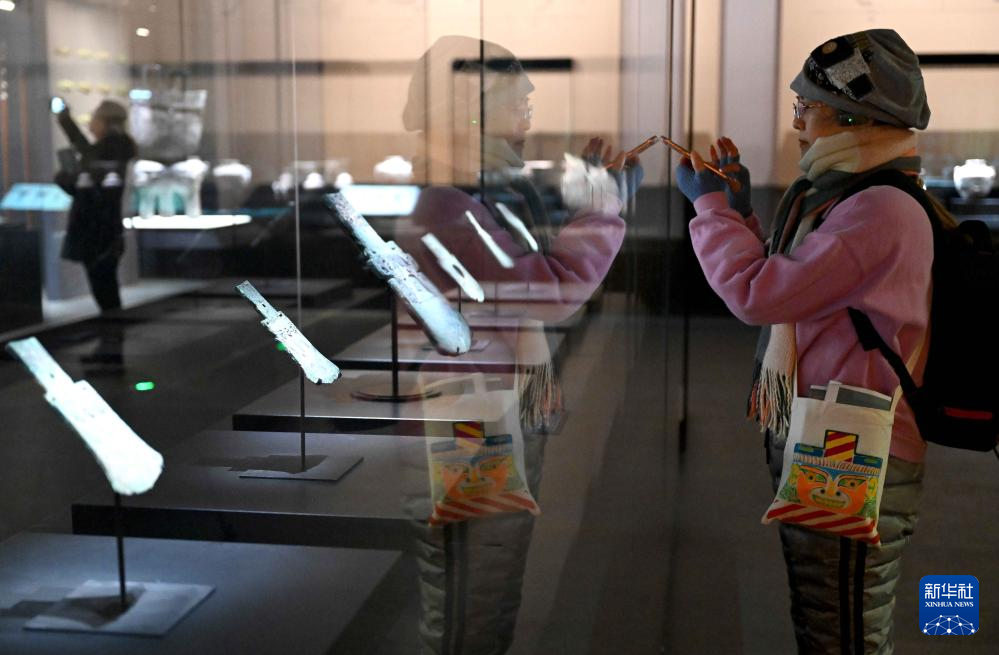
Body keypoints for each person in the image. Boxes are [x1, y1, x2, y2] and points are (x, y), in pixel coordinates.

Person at [676, 29, 933, 654]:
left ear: (853, 119)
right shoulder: (852, 195)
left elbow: (760, 294)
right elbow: (798, 280)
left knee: (842, 621)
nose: (797, 124)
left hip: (854, 445)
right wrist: (740, 211)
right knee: (829, 608)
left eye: (807, 108)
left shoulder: (879, 209)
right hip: (835, 436)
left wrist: (711, 210)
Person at [395, 35, 639, 654]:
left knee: (487, 582)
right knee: (470, 591)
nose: (528, 116)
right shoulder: (450, 207)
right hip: (469, 416)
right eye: (516, 103)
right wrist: (600, 212)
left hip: (484, 408)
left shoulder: (471, 195)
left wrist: (588, 201)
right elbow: (547, 292)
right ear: (469, 112)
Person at [54, 99, 137, 313]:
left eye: (94, 118)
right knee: (105, 285)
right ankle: (114, 326)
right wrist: (65, 119)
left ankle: (114, 328)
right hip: (103, 228)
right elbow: (87, 152)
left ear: (104, 121)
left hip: (96, 229)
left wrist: (64, 178)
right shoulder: (115, 148)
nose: (91, 122)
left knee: (103, 287)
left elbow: (87, 183)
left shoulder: (109, 151)